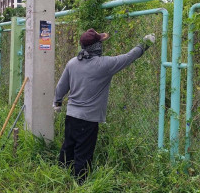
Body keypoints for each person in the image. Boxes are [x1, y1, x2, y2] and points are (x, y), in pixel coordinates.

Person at [53, 28, 155, 183]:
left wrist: (58, 102)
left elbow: (61, 86)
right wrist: (145, 44)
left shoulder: (73, 62)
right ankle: (80, 183)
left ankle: (60, 179)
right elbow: (128, 57)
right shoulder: (104, 65)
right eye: (100, 42)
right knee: (83, 152)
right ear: (96, 47)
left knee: (68, 146)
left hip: (71, 115)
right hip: (88, 119)